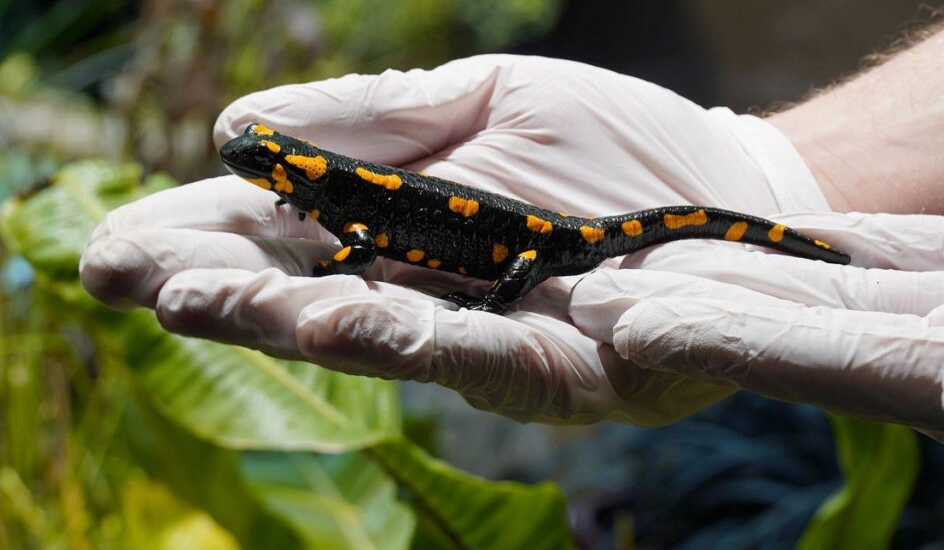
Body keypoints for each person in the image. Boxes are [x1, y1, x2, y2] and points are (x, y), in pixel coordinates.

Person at [79, 26, 944, 436]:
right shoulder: (325, 186)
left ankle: (781, 228)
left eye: (263, 163)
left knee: (541, 264)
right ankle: (785, 218)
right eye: (262, 167)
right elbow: (351, 231)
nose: (257, 168)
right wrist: (780, 169)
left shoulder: (330, 190)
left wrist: (768, 186)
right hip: (521, 227)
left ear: (289, 166)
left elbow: (356, 245)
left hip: (538, 240)